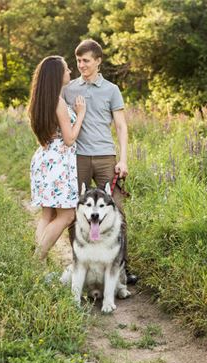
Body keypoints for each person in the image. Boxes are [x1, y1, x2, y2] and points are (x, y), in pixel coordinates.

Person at [63, 39, 138, 285]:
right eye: (78, 61)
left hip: (106, 157)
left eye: (86, 61)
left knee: (117, 212)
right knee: (77, 214)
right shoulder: (69, 89)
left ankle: (122, 269)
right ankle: (79, 266)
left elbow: (121, 126)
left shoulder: (111, 90)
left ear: (98, 61)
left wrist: (123, 159)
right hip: (78, 158)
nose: (81, 65)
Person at [29, 56, 86, 260]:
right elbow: (69, 139)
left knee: (48, 214)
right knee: (67, 215)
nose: (70, 71)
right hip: (59, 163)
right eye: (66, 69)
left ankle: (37, 262)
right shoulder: (58, 102)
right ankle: (37, 259)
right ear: (57, 75)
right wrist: (80, 114)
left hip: (45, 159)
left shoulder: (41, 99)